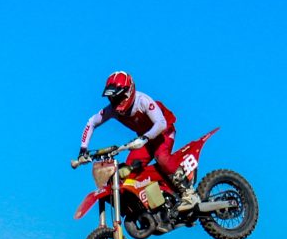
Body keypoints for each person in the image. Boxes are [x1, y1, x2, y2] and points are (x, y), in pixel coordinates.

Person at [78, 71, 199, 211]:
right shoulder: (113, 110)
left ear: (129, 91)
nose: (116, 102)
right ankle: (145, 204)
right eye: (113, 98)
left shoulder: (143, 101)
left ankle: (189, 193)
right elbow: (91, 123)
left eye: (119, 97)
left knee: (162, 157)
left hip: (163, 133)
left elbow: (161, 123)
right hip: (145, 140)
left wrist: (144, 138)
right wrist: (83, 149)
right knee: (128, 170)